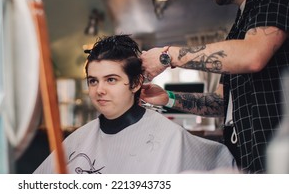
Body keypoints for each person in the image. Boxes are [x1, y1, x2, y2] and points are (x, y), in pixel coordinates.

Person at [140, 0, 289, 174]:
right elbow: (221, 102)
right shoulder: (237, 31)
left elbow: (254, 55)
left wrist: (168, 56)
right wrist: (168, 98)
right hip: (249, 158)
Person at [34, 34, 236, 174]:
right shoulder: (78, 140)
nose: (99, 89)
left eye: (111, 79)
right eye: (93, 81)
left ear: (136, 83)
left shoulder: (171, 138)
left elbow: (225, 166)